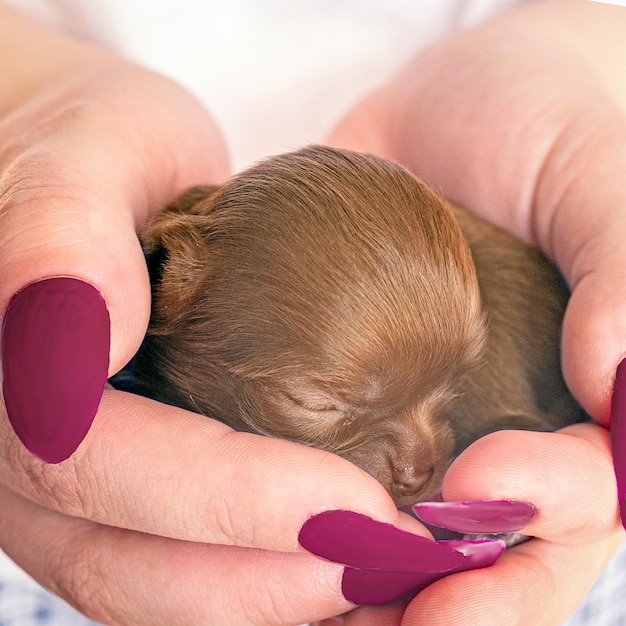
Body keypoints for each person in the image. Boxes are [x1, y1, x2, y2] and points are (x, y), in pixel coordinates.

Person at [0, 1, 625, 624]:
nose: (416, 460)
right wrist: (26, 96)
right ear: (170, 284)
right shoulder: (177, 275)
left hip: (587, 560)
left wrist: (577, 53)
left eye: (448, 388)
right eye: (324, 404)